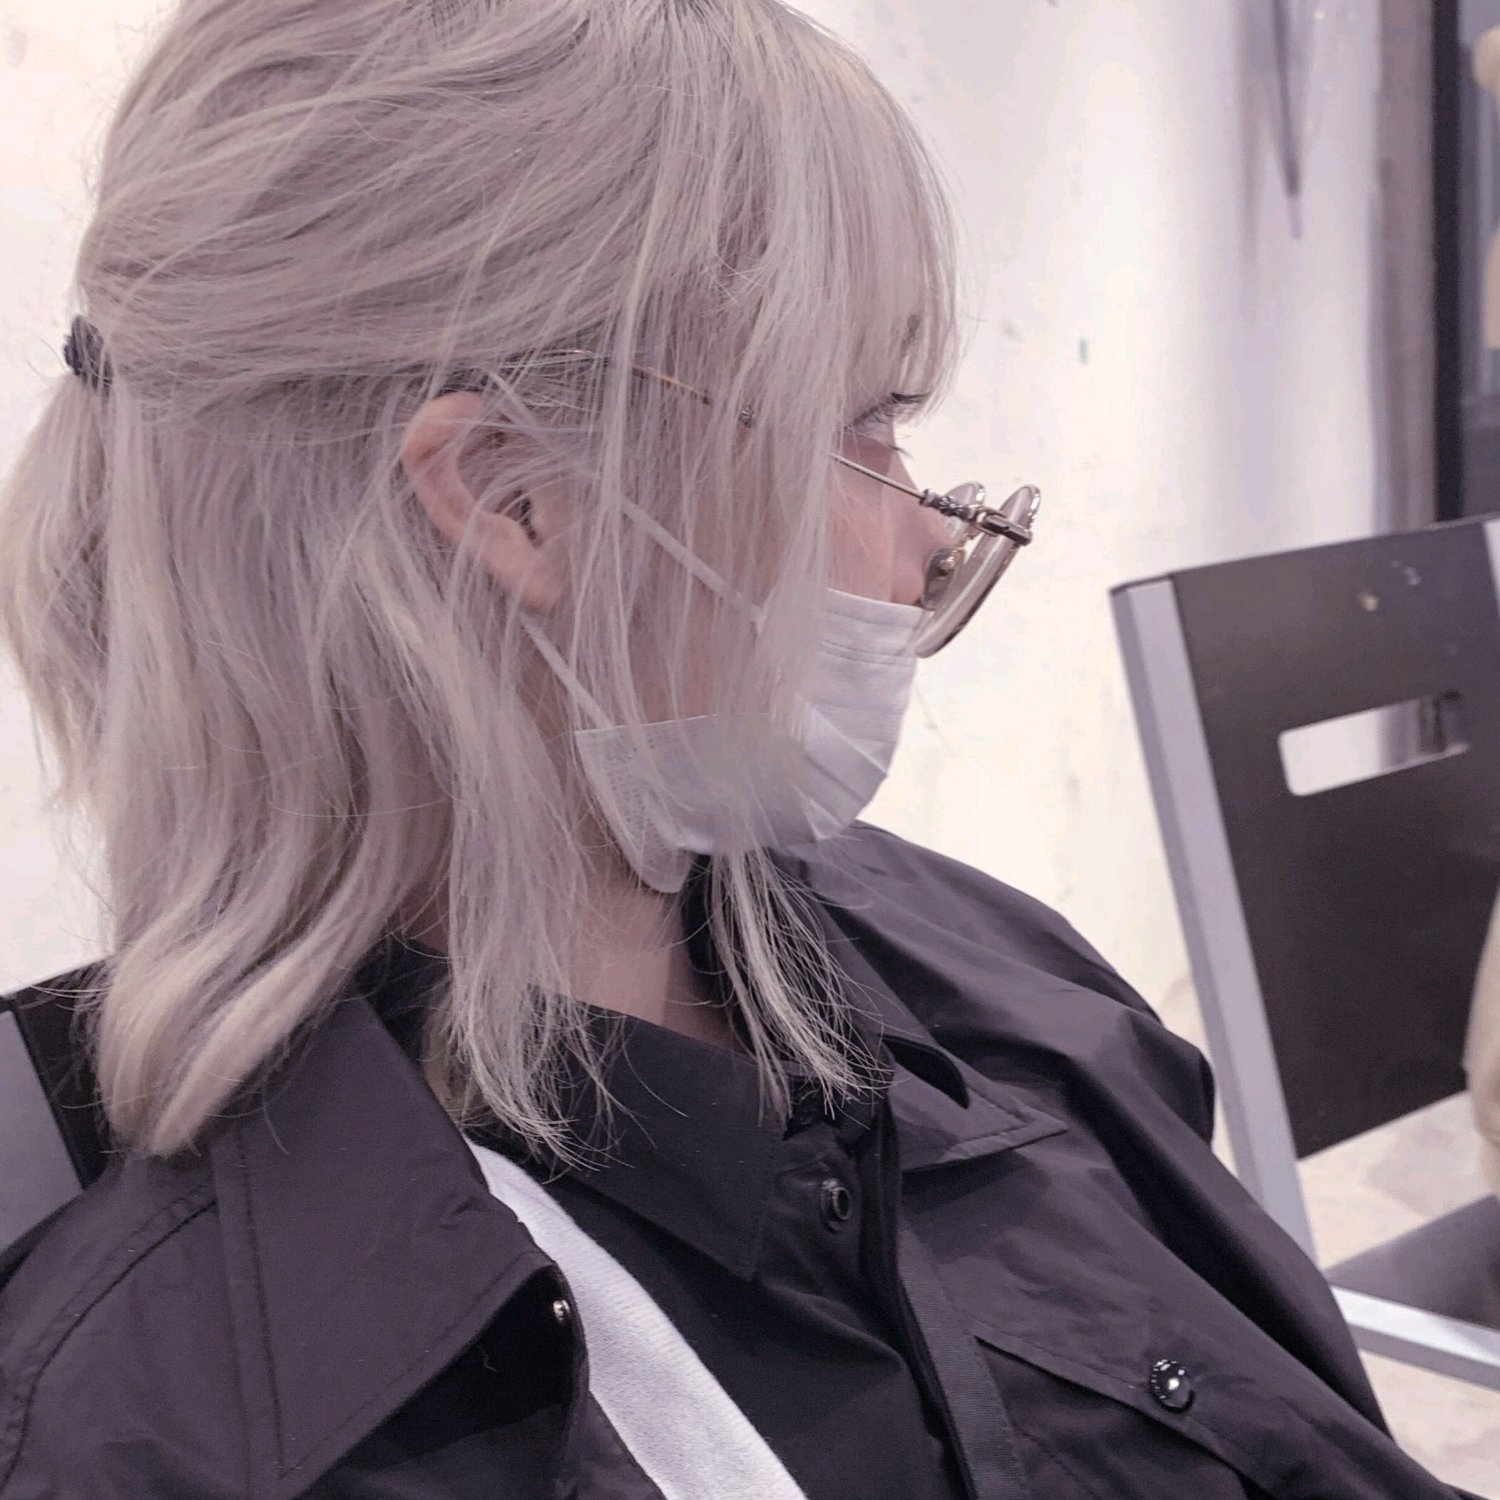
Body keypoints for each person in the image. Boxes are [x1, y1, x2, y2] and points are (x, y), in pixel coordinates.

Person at [0, 2, 1482, 1497]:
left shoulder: (980, 966)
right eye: (864, 424)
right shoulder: (208, 1437)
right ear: (519, 499)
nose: (925, 533)